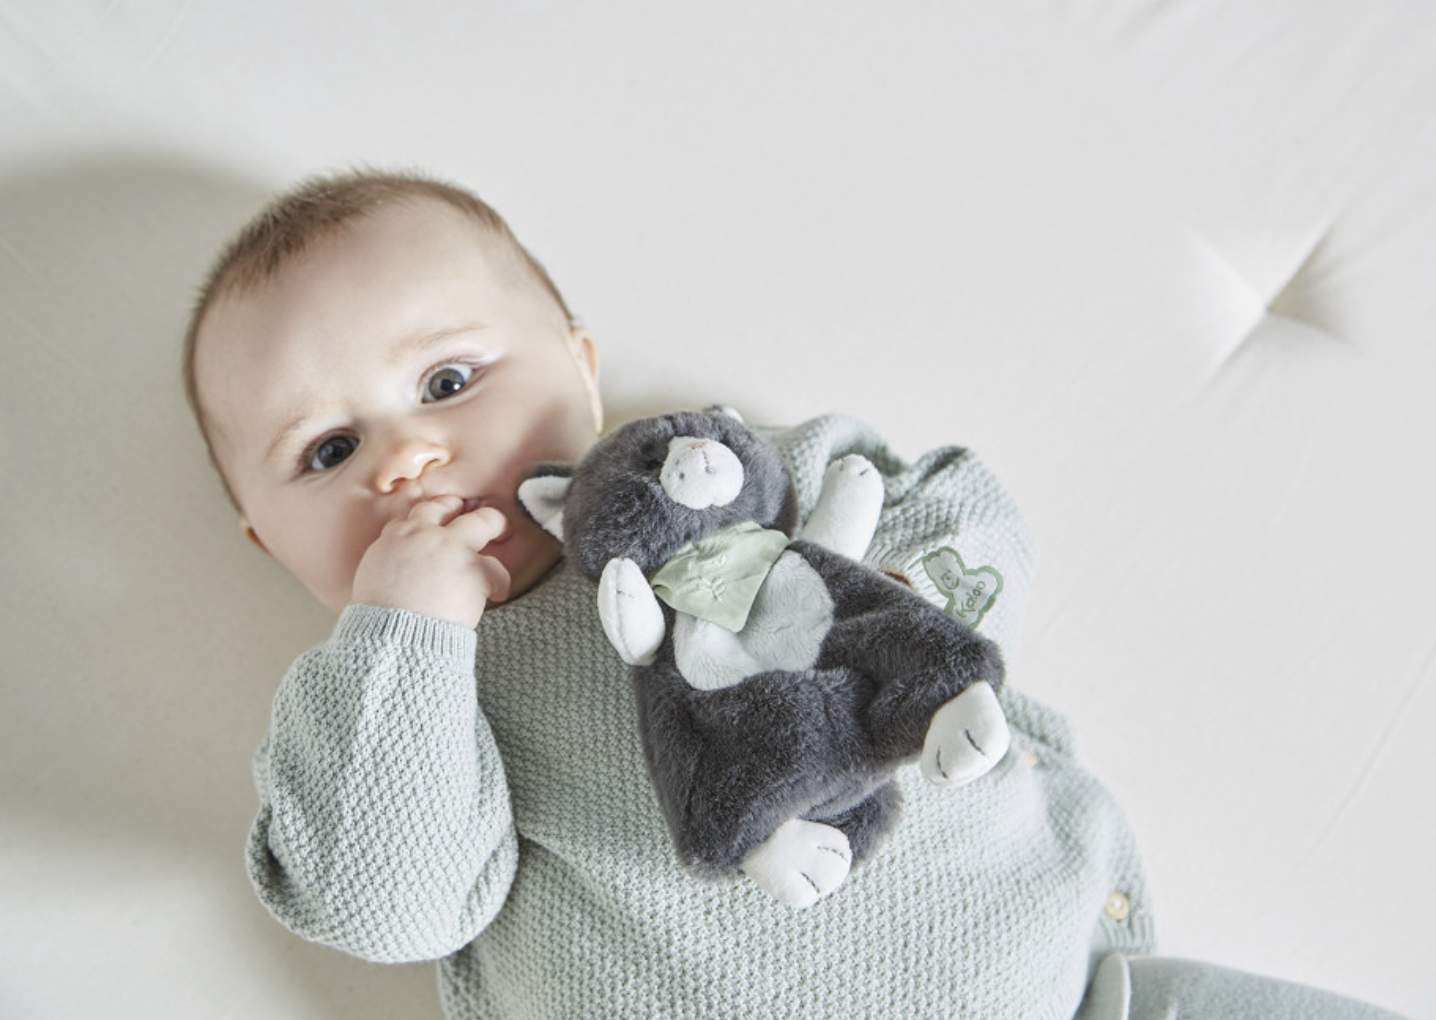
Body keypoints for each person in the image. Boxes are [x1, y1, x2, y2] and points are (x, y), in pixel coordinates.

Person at [184, 169, 1407, 1020]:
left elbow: (970, 516)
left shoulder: (733, 478)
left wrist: (881, 602)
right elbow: (390, 909)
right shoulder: (386, 708)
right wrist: (404, 634)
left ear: (579, 366)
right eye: (327, 451)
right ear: (262, 539)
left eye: (447, 381)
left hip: (1070, 992)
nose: (408, 459)